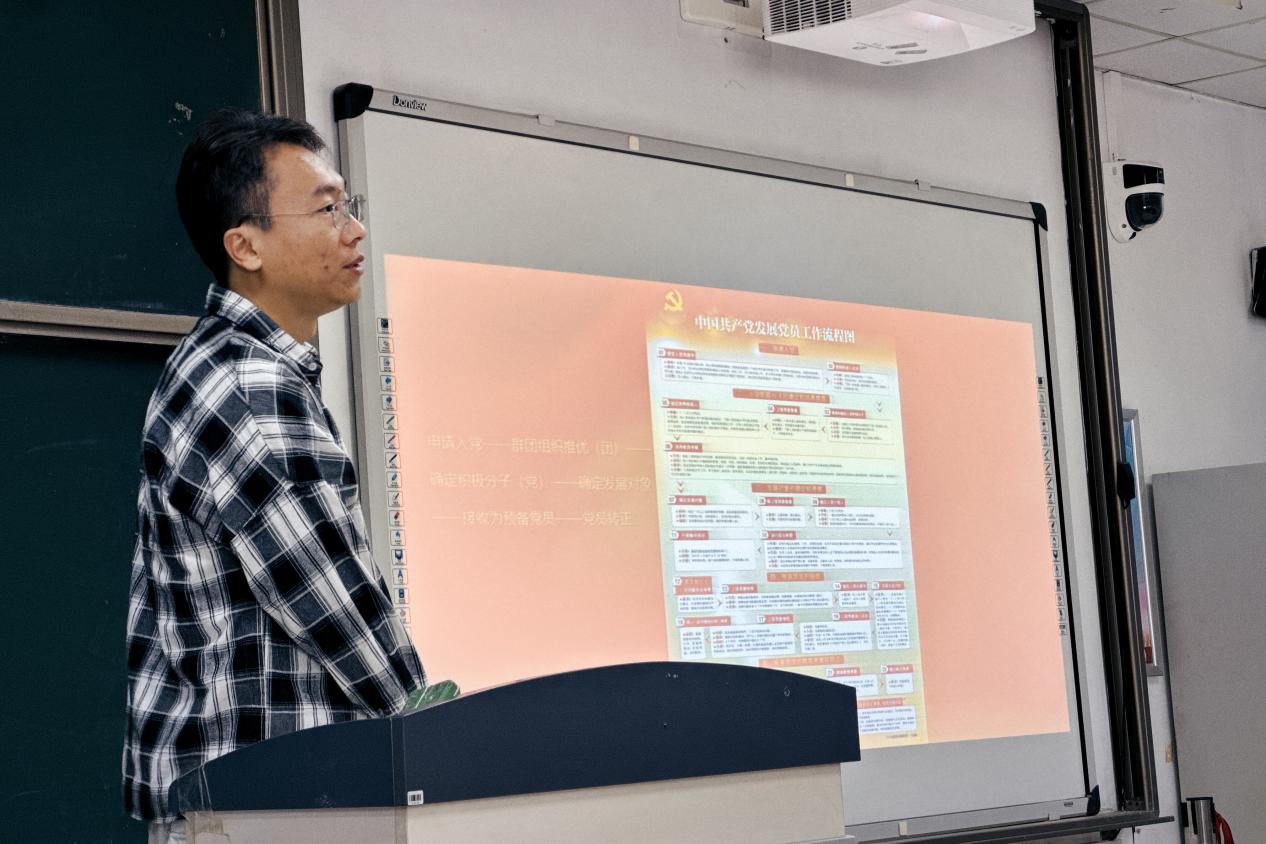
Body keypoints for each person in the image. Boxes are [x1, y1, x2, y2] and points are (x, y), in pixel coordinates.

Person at [123, 110, 425, 842]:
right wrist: (436, 729)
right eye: (327, 210)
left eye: (348, 206)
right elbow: (332, 602)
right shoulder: (250, 387)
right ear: (246, 245)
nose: (355, 230)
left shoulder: (231, 365)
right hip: (266, 806)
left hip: (254, 801)